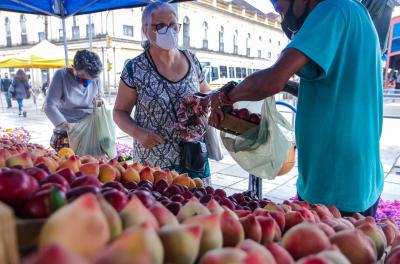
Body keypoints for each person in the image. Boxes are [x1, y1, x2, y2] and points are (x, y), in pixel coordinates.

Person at [209, 0, 383, 217]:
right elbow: (328, 87)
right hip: (361, 176)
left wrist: (226, 96)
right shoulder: (356, 12)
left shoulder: (331, 10)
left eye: (280, 8)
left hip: (335, 180)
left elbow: (272, 79)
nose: (282, 16)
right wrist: (273, 86)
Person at [113, 2, 212, 184]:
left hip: (193, 156)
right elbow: (119, 112)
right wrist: (138, 133)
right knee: (161, 207)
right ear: (145, 29)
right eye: (160, 26)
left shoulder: (192, 60)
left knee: (199, 206)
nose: (169, 30)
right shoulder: (135, 68)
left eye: (173, 25)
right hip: (154, 163)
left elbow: (205, 92)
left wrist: (206, 105)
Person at [44, 50, 103, 151]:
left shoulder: (95, 78)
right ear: (73, 67)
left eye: (91, 79)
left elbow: (100, 101)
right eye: (83, 77)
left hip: (90, 127)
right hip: (67, 128)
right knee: (67, 160)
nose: (87, 81)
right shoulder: (61, 76)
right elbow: (49, 105)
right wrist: (65, 126)